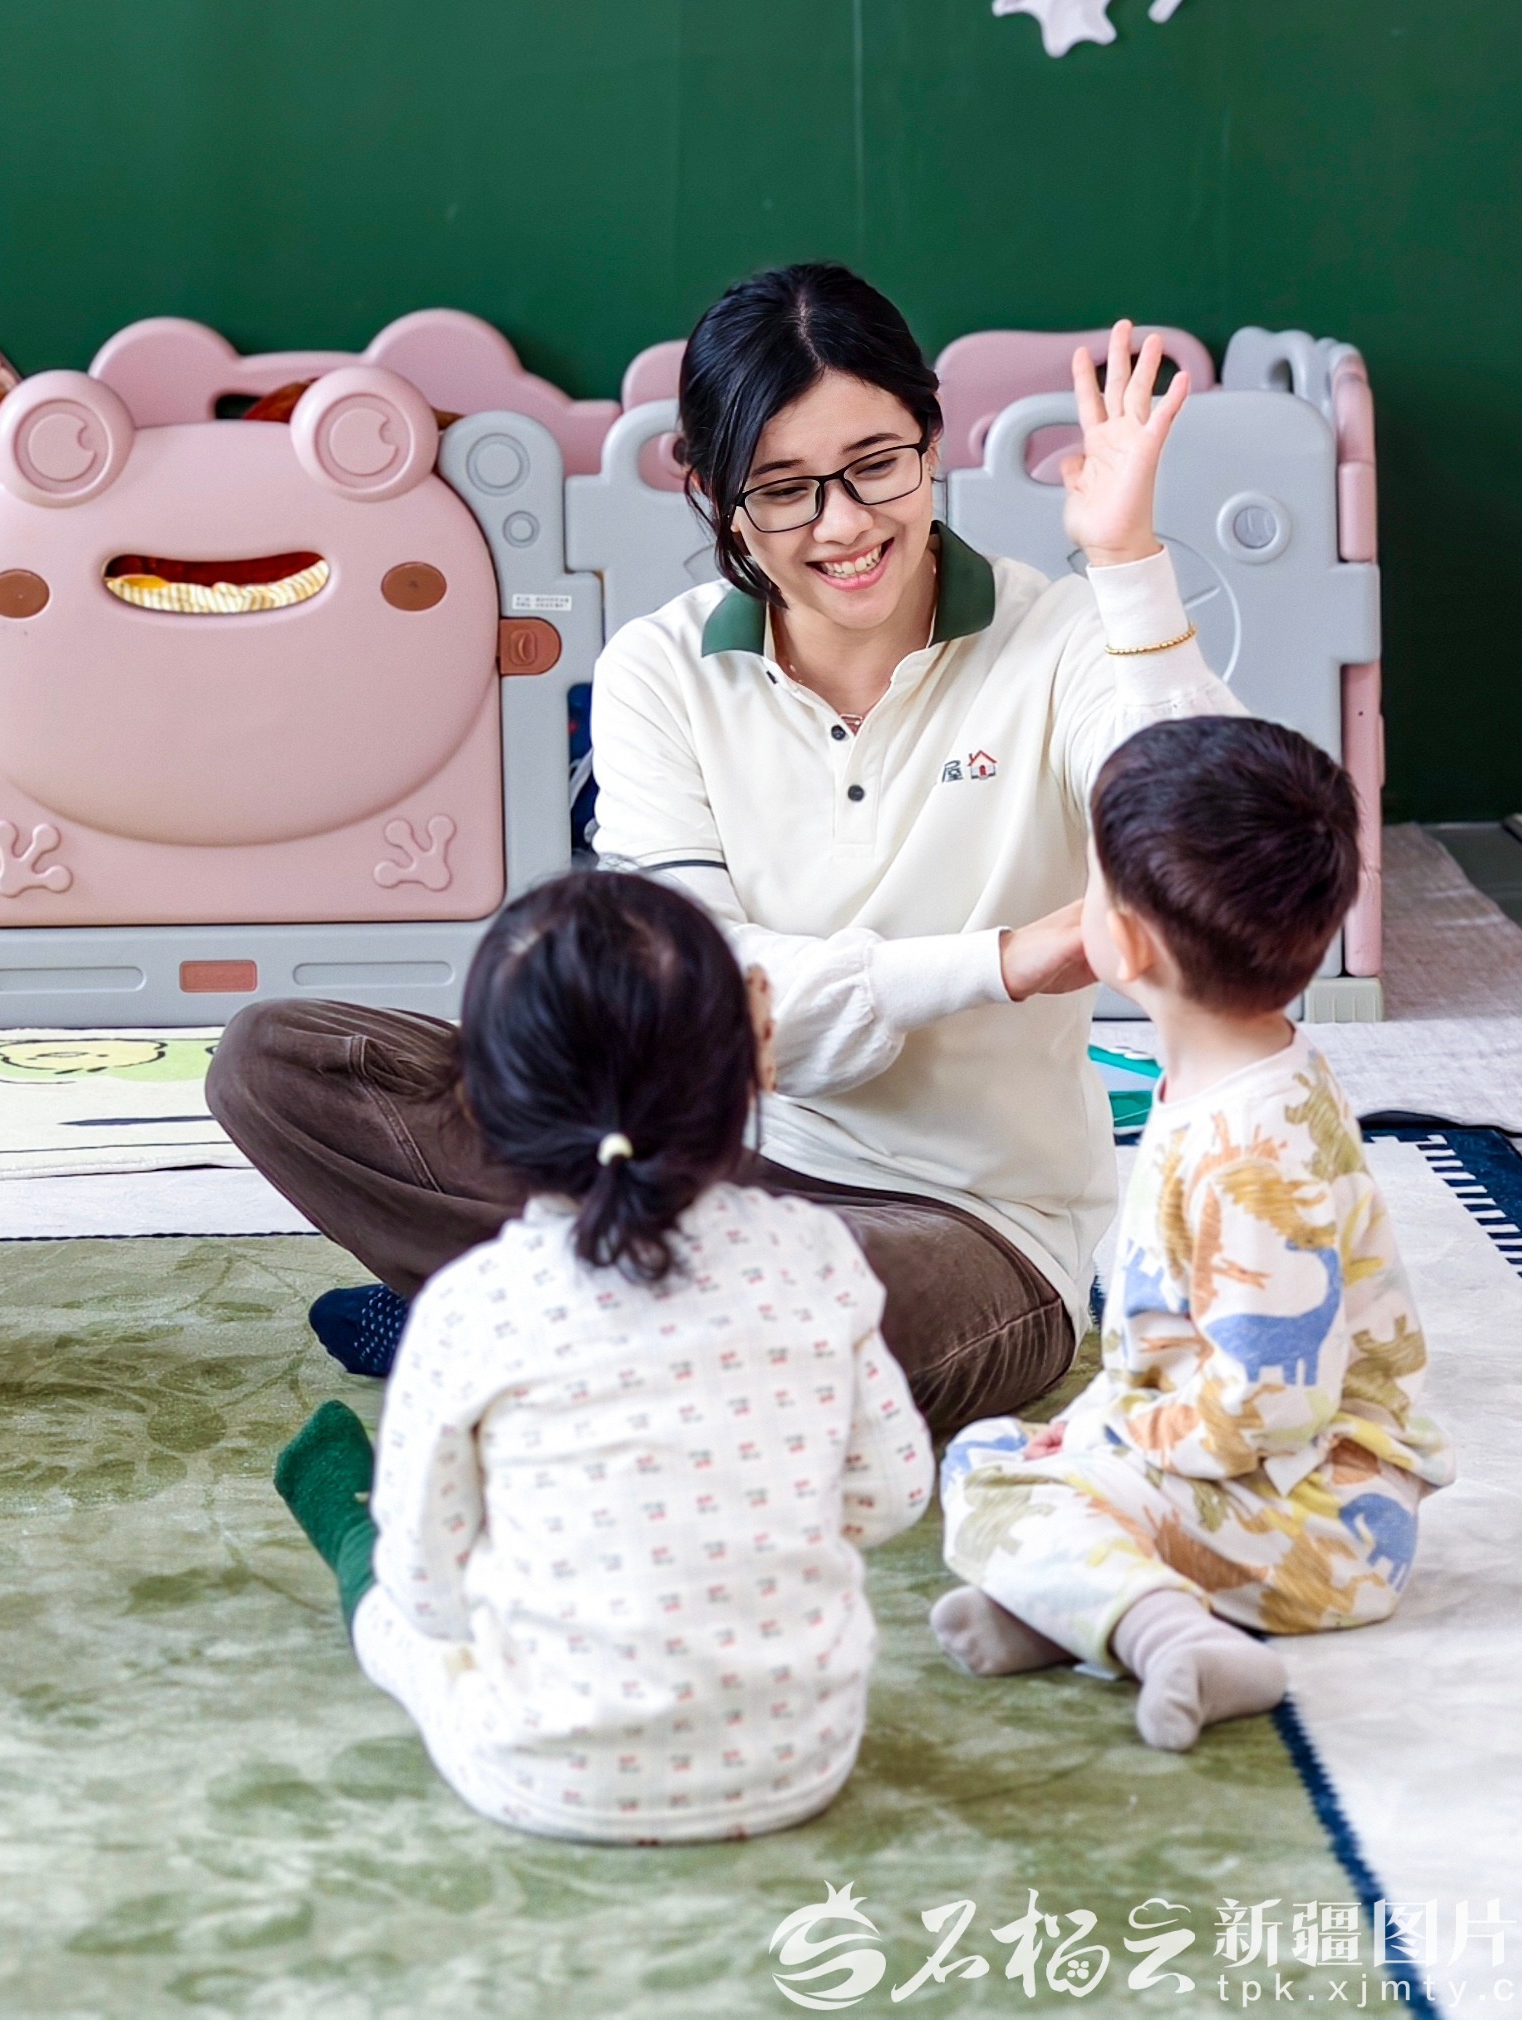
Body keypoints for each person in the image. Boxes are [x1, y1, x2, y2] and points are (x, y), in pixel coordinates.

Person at [212, 265, 1243, 1435]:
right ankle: (594, 1327)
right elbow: (708, 1000)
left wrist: (1126, 562)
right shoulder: (658, 674)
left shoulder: (1055, 638)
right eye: (786, 490)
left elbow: (1208, 842)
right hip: (681, 1166)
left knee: (811, 1308)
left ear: (931, 440)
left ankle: (520, 1321)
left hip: (961, 1223)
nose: (844, 525)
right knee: (279, 1063)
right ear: (713, 494)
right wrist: (1009, 959)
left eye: (877, 465)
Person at [273, 871, 934, 1842]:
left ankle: (343, 1529)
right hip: (803, 1757)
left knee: (397, 1622)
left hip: (544, 1774)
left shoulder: (470, 1304)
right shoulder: (815, 1254)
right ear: (754, 1063)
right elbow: (892, 1494)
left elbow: (432, 1592)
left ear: (474, 1103)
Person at [932, 718, 1449, 1751]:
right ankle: (1085, 1603)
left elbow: (1271, 1401)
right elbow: (1175, 1354)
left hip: (1321, 1519)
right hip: (1238, 1467)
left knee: (1000, 1489)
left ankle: (1169, 1635)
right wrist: (1101, 1423)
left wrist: (1109, 1440)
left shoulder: (1254, 1153)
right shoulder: (1236, 1070)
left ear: (1123, 943)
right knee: (989, 1454)